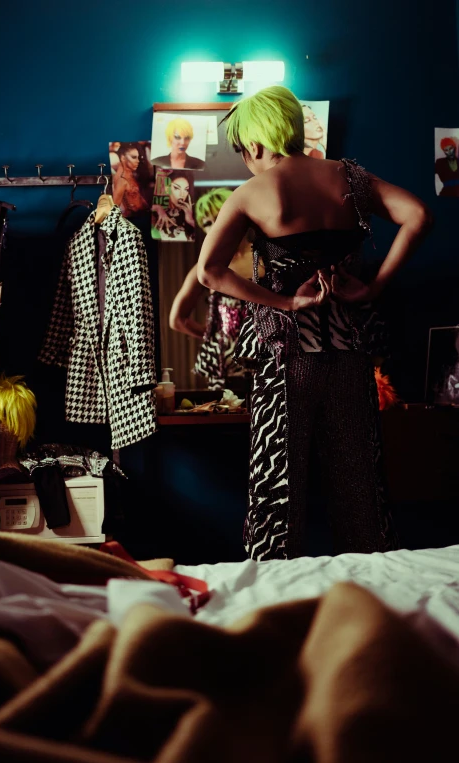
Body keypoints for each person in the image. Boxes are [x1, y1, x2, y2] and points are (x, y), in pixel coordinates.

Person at [197, 85, 433, 561]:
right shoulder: (349, 177)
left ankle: (275, 602)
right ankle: (372, 599)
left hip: (287, 359)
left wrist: (283, 303)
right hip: (350, 352)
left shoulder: (253, 193)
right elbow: (417, 215)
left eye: (243, 151)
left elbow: (210, 271)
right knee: (359, 486)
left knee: (277, 488)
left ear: (258, 143)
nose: (246, 160)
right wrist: (372, 288)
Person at [169, 188, 263, 390]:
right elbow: (176, 320)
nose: (214, 227)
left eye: (218, 217)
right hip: (225, 366)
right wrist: (214, 337)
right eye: (207, 223)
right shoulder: (205, 266)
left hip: (266, 358)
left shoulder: (265, 258)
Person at [152, 171, 195, 241]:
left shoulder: (192, 210)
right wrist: (158, 208)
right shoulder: (158, 210)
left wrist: (190, 220)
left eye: (186, 189)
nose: (182, 194)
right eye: (177, 188)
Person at [112, 143, 150, 217]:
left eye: (138, 157)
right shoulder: (122, 179)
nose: (138, 161)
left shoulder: (128, 174)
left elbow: (137, 196)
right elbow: (114, 209)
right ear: (123, 158)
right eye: (134, 157)